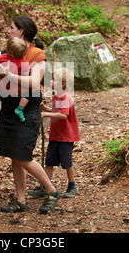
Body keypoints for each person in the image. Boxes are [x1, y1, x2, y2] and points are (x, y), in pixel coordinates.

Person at [0, 16, 60, 214]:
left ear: (21, 31)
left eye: (11, 28)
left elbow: (34, 83)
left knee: (23, 156)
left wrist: (9, 75)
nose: (8, 31)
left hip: (26, 111)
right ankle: (21, 200)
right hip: (8, 110)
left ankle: (51, 190)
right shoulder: (7, 52)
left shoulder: (37, 54)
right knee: (14, 157)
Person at [28, 67, 81, 199]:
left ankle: (72, 185)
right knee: (49, 163)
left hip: (65, 137)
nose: (51, 81)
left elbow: (63, 115)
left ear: (62, 84)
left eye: (53, 79)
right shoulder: (56, 96)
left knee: (67, 163)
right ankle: (45, 186)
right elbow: (56, 110)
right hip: (55, 136)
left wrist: (46, 114)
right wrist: (46, 108)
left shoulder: (65, 97)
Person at [0, 36, 30, 122]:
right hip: (15, 87)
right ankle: (20, 109)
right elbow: (26, 75)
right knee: (28, 93)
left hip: (3, 86)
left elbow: (1, 67)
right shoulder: (24, 62)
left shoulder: (3, 57)